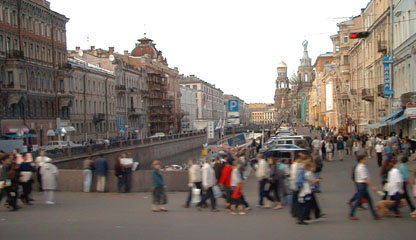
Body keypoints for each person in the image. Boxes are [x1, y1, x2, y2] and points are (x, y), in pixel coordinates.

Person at [349, 154, 381, 220]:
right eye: (365, 159)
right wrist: (373, 186)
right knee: (359, 201)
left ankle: (375, 215)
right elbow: (365, 179)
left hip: (361, 185)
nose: (366, 160)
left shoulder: (361, 166)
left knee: (369, 200)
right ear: (361, 160)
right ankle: (351, 214)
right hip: (362, 185)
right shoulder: (361, 168)